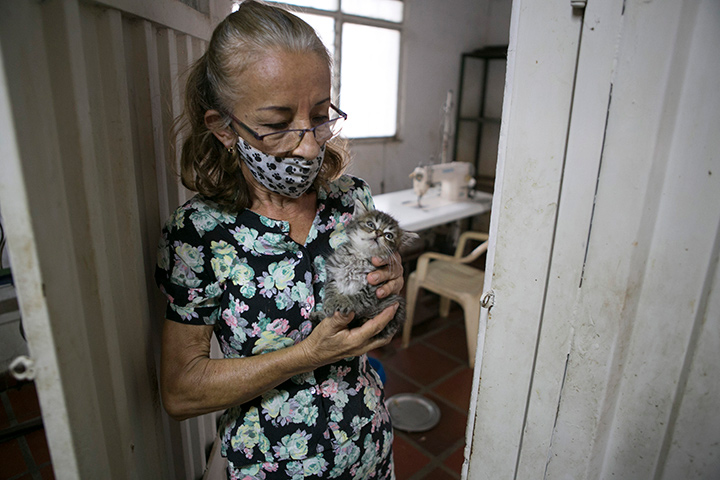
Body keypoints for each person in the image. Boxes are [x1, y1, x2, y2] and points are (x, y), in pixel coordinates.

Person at [154, 2, 403, 479]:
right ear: (225, 128)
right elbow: (181, 391)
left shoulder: (352, 201)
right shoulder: (201, 234)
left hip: (370, 448)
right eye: (276, 123)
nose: (311, 145)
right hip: (272, 467)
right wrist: (308, 354)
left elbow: (380, 331)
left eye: (320, 115)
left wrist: (391, 287)